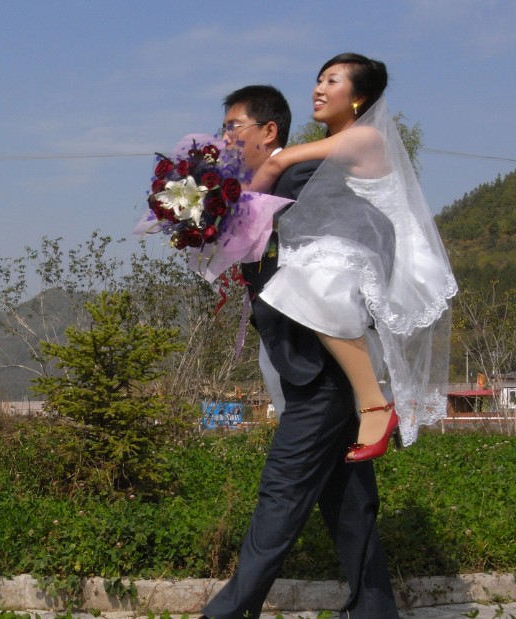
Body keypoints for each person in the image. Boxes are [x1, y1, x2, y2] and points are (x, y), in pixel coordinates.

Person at [200, 83, 400, 619]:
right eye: (222, 129)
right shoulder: (251, 195)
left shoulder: (302, 177)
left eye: (233, 128)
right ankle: (376, 611)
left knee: (281, 495)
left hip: (323, 375)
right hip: (302, 370)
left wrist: (340, 292)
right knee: (349, 504)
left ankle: (226, 612)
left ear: (269, 132)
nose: (224, 139)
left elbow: (371, 224)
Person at [247, 53, 456, 458]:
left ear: (358, 98)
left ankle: (376, 404)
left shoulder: (365, 137)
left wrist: (231, 208)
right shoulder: (331, 145)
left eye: (332, 81)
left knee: (311, 283)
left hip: (383, 247)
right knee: (300, 281)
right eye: (319, 79)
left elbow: (280, 163)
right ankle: (358, 404)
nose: (318, 89)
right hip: (361, 240)